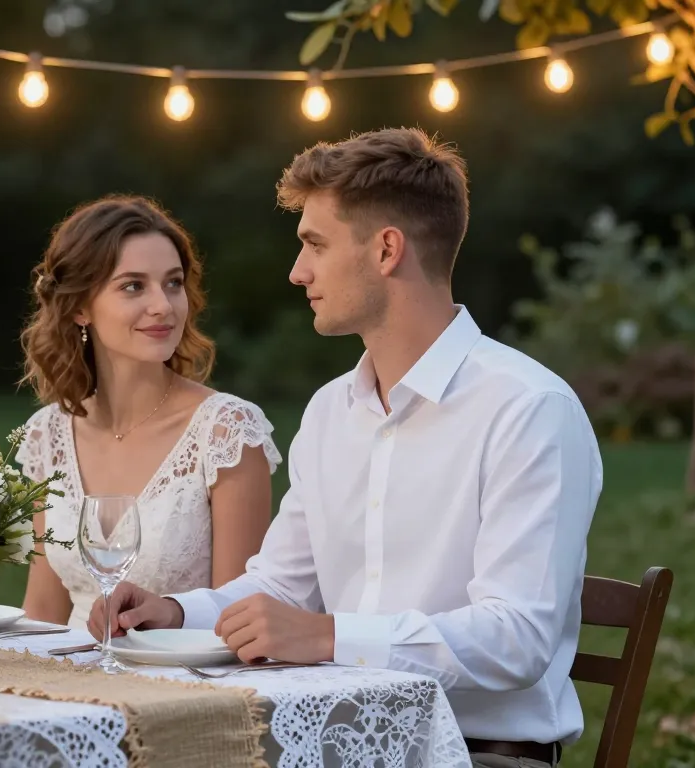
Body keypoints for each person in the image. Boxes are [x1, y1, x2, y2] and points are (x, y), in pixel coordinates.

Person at [88, 129, 602, 767]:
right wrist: (174, 612)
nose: (297, 271)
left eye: (314, 244)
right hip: (329, 746)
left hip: (480, 756)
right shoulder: (331, 410)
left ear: (387, 249)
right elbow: (280, 586)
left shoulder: (528, 410)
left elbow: (517, 637)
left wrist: (330, 636)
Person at [16, 194, 282, 631]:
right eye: (133, 286)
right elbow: (43, 612)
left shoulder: (226, 431)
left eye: (173, 283)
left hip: (186, 683)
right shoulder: (49, 434)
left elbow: (237, 616)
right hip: (71, 680)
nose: (163, 305)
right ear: (81, 307)